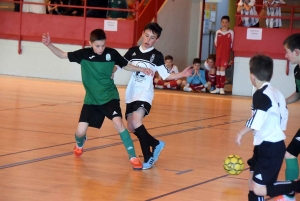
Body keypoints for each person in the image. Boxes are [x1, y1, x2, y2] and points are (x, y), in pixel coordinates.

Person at [41, 29, 153, 170]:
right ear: (90, 43)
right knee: (80, 132)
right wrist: (49, 44)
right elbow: (63, 55)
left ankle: (133, 157)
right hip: (91, 100)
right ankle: (80, 143)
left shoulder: (111, 53)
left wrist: (142, 69)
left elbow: (126, 65)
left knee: (119, 124)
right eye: (97, 46)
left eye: (103, 45)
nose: (101, 49)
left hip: (109, 97)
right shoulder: (84, 54)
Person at [122, 22, 192, 170]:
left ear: (157, 40)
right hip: (131, 93)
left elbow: (166, 76)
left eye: (152, 37)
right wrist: (112, 70)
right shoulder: (132, 51)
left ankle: (148, 157)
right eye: (146, 35)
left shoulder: (157, 56)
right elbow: (121, 64)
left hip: (145, 93)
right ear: (142, 34)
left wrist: (182, 74)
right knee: (131, 126)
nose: (148, 39)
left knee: (136, 120)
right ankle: (155, 143)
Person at [235, 54, 300, 201]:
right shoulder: (277, 93)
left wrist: (241, 132)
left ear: (252, 76)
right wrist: (276, 131)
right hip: (268, 145)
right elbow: (284, 114)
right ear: (271, 74)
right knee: (252, 183)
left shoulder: (261, 94)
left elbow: (258, 117)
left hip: (269, 148)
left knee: (259, 188)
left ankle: (296, 187)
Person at [273, 33, 300, 201]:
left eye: (287, 52)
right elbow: (298, 94)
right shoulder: (297, 70)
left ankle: (290, 193)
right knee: (290, 154)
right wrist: (281, 103)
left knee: (290, 154)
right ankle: (290, 193)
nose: (285, 56)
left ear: (296, 52)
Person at [210, 16, 234, 95]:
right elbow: (216, 44)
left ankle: (222, 88)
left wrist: (229, 55)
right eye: (223, 22)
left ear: (228, 23)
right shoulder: (218, 32)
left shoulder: (231, 32)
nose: (224, 24)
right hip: (218, 54)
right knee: (218, 71)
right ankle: (217, 88)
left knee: (222, 71)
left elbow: (232, 44)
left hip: (225, 55)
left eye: (226, 22)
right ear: (221, 23)